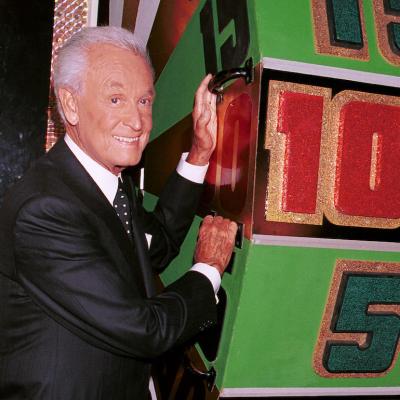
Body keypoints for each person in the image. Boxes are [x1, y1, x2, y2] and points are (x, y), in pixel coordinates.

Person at [0, 27, 237, 399]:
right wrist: (208, 268)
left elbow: (154, 247)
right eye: (115, 99)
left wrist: (199, 154)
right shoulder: (45, 211)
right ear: (71, 104)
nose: (137, 120)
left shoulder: (107, 181)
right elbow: (145, 331)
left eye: (144, 101)